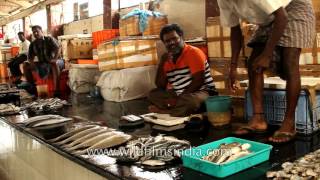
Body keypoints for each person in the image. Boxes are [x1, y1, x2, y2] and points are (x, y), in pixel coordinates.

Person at [217, 0, 315, 143]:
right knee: (254, 63)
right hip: (270, 16)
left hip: (294, 6)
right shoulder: (223, 1)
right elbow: (235, 30)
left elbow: (282, 17)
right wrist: (233, 67)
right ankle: (258, 119)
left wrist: (267, 55)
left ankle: (289, 123)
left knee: (289, 61)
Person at [148, 24, 217, 117]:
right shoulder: (167, 58)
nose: (171, 43)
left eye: (174, 38)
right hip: (179, 93)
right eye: (167, 41)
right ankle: (179, 108)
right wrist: (162, 63)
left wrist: (178, 99)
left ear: (181, 37)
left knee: (190, 101)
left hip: (203, 92)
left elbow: (198, 81)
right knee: (153, 94)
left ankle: (166, 111)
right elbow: (160, 85)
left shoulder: (193, 52)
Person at [23, 25, 61, 96]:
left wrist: (55, 58)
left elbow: (58, 48)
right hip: (42, 62)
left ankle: (57, 90)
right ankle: (32, 87)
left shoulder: (49, 39)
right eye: (34, 32)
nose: (35, 33)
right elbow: (30, 57)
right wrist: (31, 63)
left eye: (37, 31)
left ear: (41, 31)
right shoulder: (33, 44)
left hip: (54, 61)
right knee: (25, 65)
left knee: (54, 64)